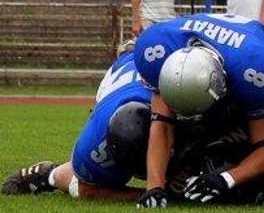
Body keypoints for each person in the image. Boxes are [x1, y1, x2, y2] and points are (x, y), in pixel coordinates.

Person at [133, 13, 264, 208]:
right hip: (224, 59)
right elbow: (162, 125)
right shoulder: (159, 49)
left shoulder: (258, 72)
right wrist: (154, 188)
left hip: (248, 57)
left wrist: (226, 179)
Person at [2, 52, 152, 201]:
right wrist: (148, 195)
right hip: (121, 77)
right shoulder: (97, 139)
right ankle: (49, 175)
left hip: (152, 71)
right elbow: (87, 190)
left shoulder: (169, 102)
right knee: (97, 179)